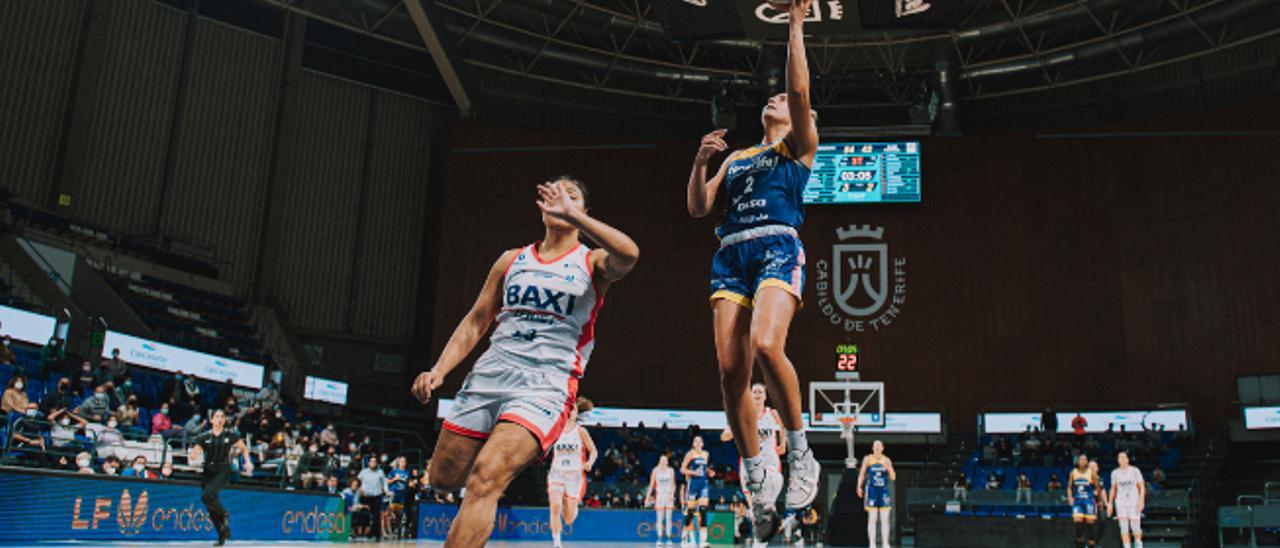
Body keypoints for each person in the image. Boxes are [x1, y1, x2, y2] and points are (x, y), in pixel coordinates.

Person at [411, 176, 639, 548]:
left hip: (545, 383)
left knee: (486, 477)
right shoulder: (511, 259)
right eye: (558, 193)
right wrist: (438, 370)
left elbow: (629, 254)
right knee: (442, 478)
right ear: (542, 206)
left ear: (583, 212)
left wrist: (575, 217)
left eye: (573, 196)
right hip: (490, 374)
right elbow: (476, 320)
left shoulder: (592, 261)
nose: (563, 198)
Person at [684, 0, 820, 540]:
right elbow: (698, 208)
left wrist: (793, 25)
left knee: (767, 347)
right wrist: (699, 163)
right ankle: (757, 466)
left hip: (777, 248)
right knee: (730, 374)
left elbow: (802, 92)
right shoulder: (738, 157)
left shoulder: (798, 148)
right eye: (774, 96)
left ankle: (802, 453)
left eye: (783, 98)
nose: (777, 97)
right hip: (730, 254)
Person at [188, 408, 253, 546]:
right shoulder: (204, 437)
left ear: (224, 420)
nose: (219, 418)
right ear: (211, 420)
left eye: (222, 416)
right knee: (209, 505)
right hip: (207, 471)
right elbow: (196, 451)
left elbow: (243, 448)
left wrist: (247, 461)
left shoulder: (230, 435)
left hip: (223, 469)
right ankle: (221, 535)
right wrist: (193, 455)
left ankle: (224, 514)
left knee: (207, 496)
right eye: (217, 416)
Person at [721, 382, 787, 511]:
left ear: (765, 396)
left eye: (760, 392)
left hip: (769, 458)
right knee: (752, 505)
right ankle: (756, 517)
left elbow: (784, 425)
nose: (757, 394)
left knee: (769, 493)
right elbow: (724, 437)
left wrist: (783, 443)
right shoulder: (742, 413)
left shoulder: (772, 414)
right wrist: (736, 428)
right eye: (754, 392)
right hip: (750, 459)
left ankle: (769, 514)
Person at [547, 398, 598, 548]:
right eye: (568, 409)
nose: (570, 412)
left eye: (573, 409)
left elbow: (593, 451)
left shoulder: (580, 431)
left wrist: (589, 463)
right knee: (555, 506)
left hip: (574, 477)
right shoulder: (555, 430)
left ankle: (570, 504)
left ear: (576, 413)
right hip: (557, 473)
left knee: (569, 519)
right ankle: (557, 544)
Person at [857, 440, 895, 548]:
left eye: (879, 445)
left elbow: (893, 477)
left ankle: (885, 543)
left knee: (884, 519)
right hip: (872, 490)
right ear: (872, 448)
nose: (877, 447)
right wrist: (859, 486)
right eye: (875, 446)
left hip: (883, 491)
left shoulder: (886, 460)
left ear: (882, 448)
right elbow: (862, 474)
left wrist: (889, 468)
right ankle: (872, 544)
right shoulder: (868, 459)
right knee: (872, 518)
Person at [681, 436, 714, 548]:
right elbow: (682, 469)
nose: (698, 443)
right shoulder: (690, 454)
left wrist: (709, 472)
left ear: (703, 443)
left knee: (703, 510)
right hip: (693, 483)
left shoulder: (706, 454)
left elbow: (704, 468)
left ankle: (703, 541)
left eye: (700, 441)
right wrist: (693, 472)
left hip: (703, 483)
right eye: (696, 441)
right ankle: (684, 537)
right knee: (690, 512)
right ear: (693, 444)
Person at [1109, 451, 1146, 548]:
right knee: (1124, 528)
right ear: (1117, 460)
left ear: (1128, 459)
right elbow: (1113, 488)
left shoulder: (1135, 471)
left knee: (1135, 528)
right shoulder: (1115, 473)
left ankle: (1138, 544)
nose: (1122, 459)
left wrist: (1141, 501)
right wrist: (1110, 503)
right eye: (1119, 457)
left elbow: (1142, 486)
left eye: (1123, 457)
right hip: (1121, 502)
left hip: (1134, 501)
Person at [645, 454, 678, 546]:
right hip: (659, 496)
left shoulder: (671, 470)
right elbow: (651, 485)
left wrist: (672, 495)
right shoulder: (655, 470)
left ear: (667, 462)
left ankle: (668, 538)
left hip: (668, 496)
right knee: (659, 518)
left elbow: (673, 484)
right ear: (659, 461)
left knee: (669, 518)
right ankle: (659, 538)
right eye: (662, 460)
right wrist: (647, 498)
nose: (663, 462)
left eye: (665, 460)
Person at [1068, 454, 1098, 548]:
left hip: (1089, 500)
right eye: (1080, 459)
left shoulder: (1091, 473)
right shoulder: (1073, 473)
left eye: (1084, 459)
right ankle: (1079, 541)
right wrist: (1070, 497)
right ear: (1078, 462)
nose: (1082, 461)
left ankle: (1091, 543)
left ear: (1087, 462)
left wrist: (1098, 500)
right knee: (1078, 522)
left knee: (1090, 524)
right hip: (1078, 501)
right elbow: (1069, 486)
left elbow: (1097, 487)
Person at [357, 455, 388, 539]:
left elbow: (384, 482)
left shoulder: (380, 472)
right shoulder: (364, 472)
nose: (373, 463)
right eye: (372, 461)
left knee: (376, 516)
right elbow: (357, 480)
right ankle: (360, 532)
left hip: (376, 496)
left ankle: (376, 534)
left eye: (375, 461)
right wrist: (359, 489)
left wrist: (386, 490)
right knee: (362, 513)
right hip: (365, 496)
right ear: (369, 463)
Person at [386, 456, 411, 539]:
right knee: (389, 512)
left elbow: (408, 483)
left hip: (402, 495)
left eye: (404, 461)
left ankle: (398, 530)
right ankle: (388, 531)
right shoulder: (394, 471)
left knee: (399, 514)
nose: (403, 463)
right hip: (394, 494)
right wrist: (395, 479)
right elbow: (387, 482)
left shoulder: (408, 472)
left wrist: (411, 484)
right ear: (398, 462)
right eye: (401, 461)